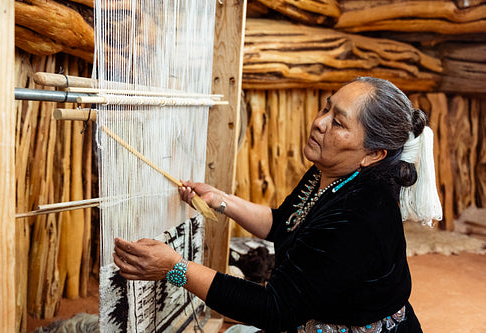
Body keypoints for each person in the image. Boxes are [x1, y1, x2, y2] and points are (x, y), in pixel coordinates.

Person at [114, 77, 442, 333]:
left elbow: (274, 308)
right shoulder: (330, 172)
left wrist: (174, 269)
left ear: (374, 154)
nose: (320, 122)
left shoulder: (361, 216)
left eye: (339, 123)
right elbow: (286, 222)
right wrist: (222, 200)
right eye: (326, 108)